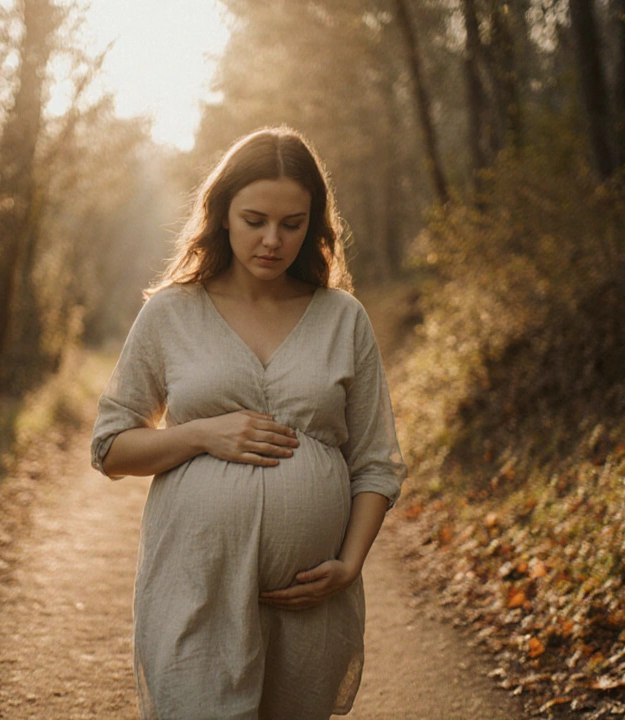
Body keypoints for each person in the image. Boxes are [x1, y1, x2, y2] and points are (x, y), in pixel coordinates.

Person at [90, 126, 406, 719]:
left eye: (292, 223)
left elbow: (375, 462)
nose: (272, 239)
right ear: (221, 214)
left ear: (314, 224)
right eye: (254, 219)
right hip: (196, 583)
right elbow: (110, 448)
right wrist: (203, 434)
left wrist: (348, 566)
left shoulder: (343, 319)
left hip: (307, 601)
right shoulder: (170, 314)